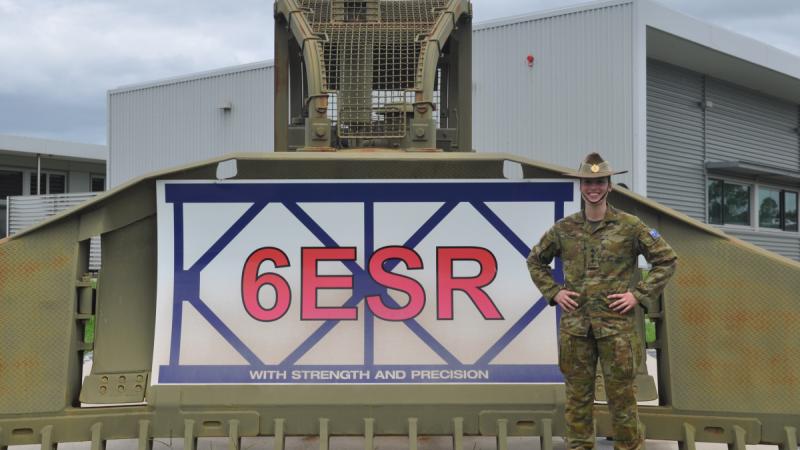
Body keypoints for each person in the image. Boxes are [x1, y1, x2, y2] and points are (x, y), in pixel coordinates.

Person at [527, 153, 677, 450]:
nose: (593, 187)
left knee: (622, 399)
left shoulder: (630, 226)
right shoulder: (564, 229)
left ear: (609, 186)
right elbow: (535, 261)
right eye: (588, 182)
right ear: (580, 187)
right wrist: (554, 291)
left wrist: (637, 294)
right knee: (577, 399)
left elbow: (667, 260)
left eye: (599, 182)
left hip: (617, 330)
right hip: (576, 330)